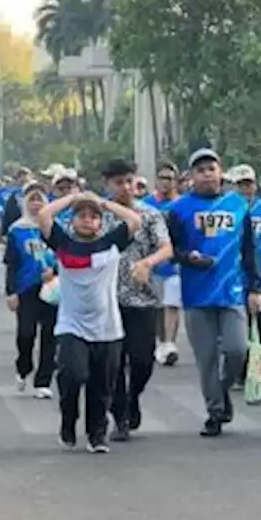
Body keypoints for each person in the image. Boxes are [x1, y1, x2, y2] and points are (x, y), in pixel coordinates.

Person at [164, 148, 261, 438]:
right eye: (200, 170)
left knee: (237, 350)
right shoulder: (180, 209)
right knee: (206, 357)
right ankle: (215, 412)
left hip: (232, 291)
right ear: (191, 177)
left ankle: (222, 390)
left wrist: (255, 287)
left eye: (211, 168)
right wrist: (187, 257)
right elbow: (170, 249)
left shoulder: (237, 205)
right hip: (197, 294)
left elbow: (249, 249)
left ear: (221, 173)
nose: (207, 174)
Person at [38, 190, 139, 453]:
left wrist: (104, 202)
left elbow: (133, 221)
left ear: (100, 223)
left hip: (107, 327)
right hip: (72, 324)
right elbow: (45, 215)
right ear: (72, 221)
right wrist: (72, 198)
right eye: (81, 216)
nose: (87, 220)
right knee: (73, 374)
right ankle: (68, 420)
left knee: (101, 386)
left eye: (93, 217)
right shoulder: (63, 244)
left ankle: (97, 435)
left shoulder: (111, 243)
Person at [99, 159, 173, 441]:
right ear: (107, 184)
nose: (126, 188)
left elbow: (167, 248)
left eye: (129, 181)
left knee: (142, 360)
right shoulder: (99, 215)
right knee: (113, 362)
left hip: (142, 299)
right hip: (107, 299)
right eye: (119, 183)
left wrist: (148, 263)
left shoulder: (150, 215)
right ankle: (120, 416)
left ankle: (133, 399)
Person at [5, 183, 60, 399]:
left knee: (50, 336)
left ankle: (43, 381)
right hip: (25, 288)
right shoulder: (17, 230)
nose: (36, 205)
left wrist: (54, 271)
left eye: (40, 200)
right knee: (26, 333)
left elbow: (66, 257)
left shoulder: (55, 229)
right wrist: (11, 292)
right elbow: (11, 262)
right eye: (32, 200)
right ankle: (23, 365)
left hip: (52, 288)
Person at [232, 165, 261, 388]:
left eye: (248, 184)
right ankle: (240, 372)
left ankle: (259, 372)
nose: (245, 189)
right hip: (235, 279)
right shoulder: (230, 210)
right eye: (240, 184)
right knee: (241, 331)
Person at [145, 161, 184, 367]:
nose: (165, 182)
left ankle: (170, 343)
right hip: (153, 261)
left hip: (175, 262)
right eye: (162, 178)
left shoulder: (182, 204)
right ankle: (161, 341)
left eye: (169, 178)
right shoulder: (147, 204)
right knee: (157, 306)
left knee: (172, 303)